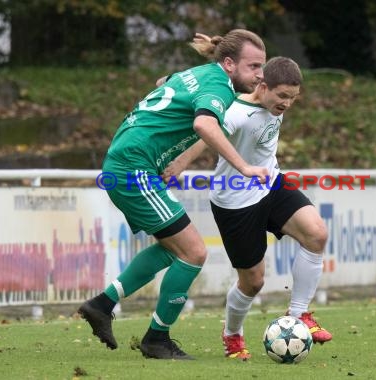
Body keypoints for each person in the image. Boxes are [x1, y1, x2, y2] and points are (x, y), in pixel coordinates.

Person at [77, 29, 268, 360]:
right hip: (132, 167)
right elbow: (204, 126)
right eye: (253, 66)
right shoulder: (217, 85)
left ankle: (102, 304)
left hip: (128, 162)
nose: (260, 74)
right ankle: (157, 339)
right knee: (194, 253)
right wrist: (245, 168)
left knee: (172, 250)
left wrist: (174, 158)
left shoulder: (200, 73)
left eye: (261, 66)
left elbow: (163, 82)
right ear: (229, 65)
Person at [163, 54, 332, 361]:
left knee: (317, 234)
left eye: (293, 98)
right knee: (252, 282)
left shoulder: (268, 94)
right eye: (282, 96)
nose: (287, 104)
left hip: (270, 182)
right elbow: (206, 134)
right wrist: (180, 163)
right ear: (264, 87)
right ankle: (231, 334)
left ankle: (299, 315)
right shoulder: (237, 112)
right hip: (235, 201)